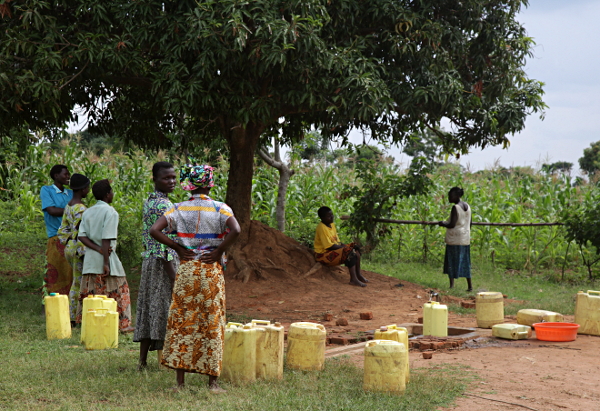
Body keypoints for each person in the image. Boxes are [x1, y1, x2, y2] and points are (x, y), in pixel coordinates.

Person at [150, 163, 240, 392]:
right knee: (211, 323)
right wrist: (218, 251)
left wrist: (178, 248)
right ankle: (213, 383)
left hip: (187, 270)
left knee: (183, 322)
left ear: (187, 184)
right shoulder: (221, 208)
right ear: (210, 183)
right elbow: (236, 230)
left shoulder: (177, 209)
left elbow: (154, 230)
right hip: (211, 272)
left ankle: (179, 383)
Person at [134, 162, 179, 370]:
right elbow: (164, 242)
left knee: (149, 308)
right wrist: (173, 274)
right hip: (163, 262)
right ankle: (168, 361)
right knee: (164, 309)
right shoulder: (164, 206)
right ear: (155, 180)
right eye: (166, 178)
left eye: (173, 177)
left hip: (150, 262)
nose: (171, 181)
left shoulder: (150, 201)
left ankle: (142, 361)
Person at [78, 179, 134, 333]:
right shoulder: (110, 212)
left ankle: (92, 323)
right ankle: (123, 325)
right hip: (107, 259)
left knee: (94, 293)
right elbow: (106, 238)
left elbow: (81, 237)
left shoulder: (88, 211)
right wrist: (106, 261)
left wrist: (96, 249)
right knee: (119, 289)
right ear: (108, 194)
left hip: (90, 260)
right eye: (112, 192)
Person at [57, 173, 90, 325]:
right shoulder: (81, 209)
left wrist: (67, 241)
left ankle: (73, 315)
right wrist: (83, 252)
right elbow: (81, 232)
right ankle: (74, 316)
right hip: (78, 249)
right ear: (83, 189)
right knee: (79, 283)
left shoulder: (68, 205)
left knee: (75, 282)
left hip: (69, 248)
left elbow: (62, 230)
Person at [40, 164, 73, 308]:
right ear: (56, 176)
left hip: (71, 237)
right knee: (53, 272)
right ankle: (48, 304)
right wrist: (72, 210)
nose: (68, 177)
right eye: (65, 174)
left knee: (68, 272)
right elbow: (51, 210)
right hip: (55, 236)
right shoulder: (46, 190)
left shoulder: (70, 193)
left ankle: (66, 304)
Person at [313, 206, 367, 287]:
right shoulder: (321, 228)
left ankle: (358, 275)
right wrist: (346, 248)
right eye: (329, 216)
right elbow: (328, 246)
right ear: (322, 218)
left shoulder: (332, 225)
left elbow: (337, 242)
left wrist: (348, 246)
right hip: (323, 255)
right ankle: (353, 279)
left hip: (332, 250)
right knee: (349, 251)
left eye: (332, 215)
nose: (332, 217)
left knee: (355, 246)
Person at [439, 187, 473, 292]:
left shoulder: (455, 208)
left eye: (451, 195)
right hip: (465, 238)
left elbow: (452, 224)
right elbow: (470, 223)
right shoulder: (467, 206)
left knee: (452, 262)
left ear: (457, 196)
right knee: (466, 263)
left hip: (454, 239)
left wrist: (442, 223)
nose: (449, 197)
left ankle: (452, 285)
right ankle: (469, 286)